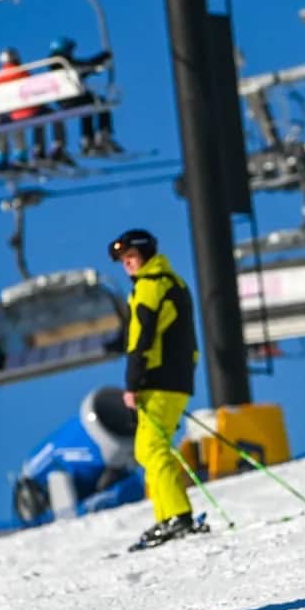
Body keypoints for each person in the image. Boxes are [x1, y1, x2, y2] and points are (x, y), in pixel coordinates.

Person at [108, 229, 202, 549]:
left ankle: (177, 515)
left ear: (146, 256)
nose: (128, 265)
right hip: (175, 378)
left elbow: (141, 338)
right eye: (123, 261)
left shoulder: (150, 286)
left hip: (159, 380)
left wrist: (132, 383)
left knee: (152, 449)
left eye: (132, 258)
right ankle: (167, 517)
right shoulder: (171, 282)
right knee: (148, 450)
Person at [48, 36, 123, 158]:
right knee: (100, 102)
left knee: (88, 106)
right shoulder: (63, 63)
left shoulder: (56, 65)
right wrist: (103, 57)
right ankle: (103, 135)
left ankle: (88, 140)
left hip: (65, 101)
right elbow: (85, 65)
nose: (71, 53)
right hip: (71, 99)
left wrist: (94, 68)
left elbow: (82, 70)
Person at [0, 47, 37, 171]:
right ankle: (21, 157)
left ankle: (1, 157)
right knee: (17, 129)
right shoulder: (22, 72)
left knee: (2, 128)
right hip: (22, 110)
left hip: (7, 112)